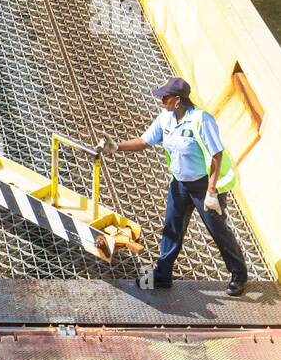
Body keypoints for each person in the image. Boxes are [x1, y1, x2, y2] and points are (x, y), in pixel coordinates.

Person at [101, 77, 249, 296]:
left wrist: (211, 191)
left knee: (217, 230)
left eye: (165, 98)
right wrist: (116, 146)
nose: (162, 101)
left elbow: (217, 154)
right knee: (172, 228)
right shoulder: (165, 119)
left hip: (203, 186)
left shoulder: (201, 120)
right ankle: (162, 275)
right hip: (179, 185)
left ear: (178, 100)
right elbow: (144, 141)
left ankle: (239, 275)